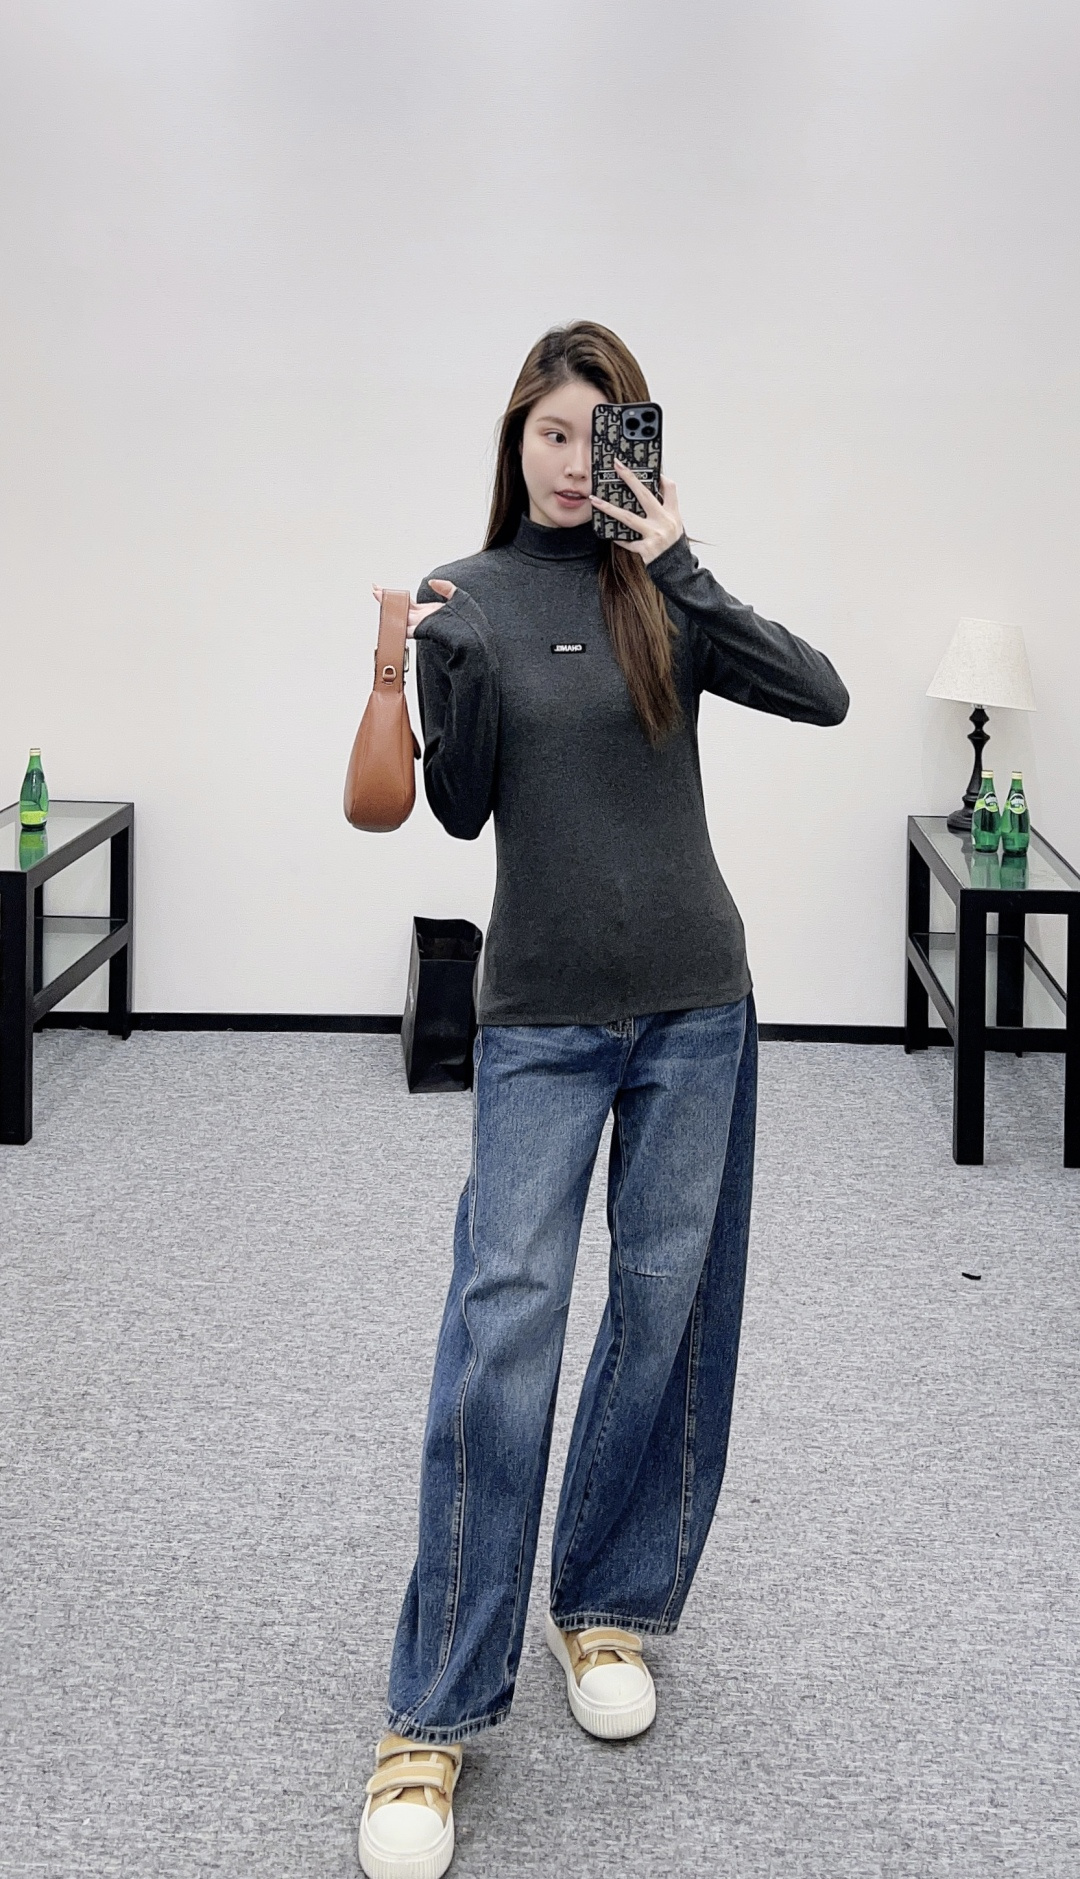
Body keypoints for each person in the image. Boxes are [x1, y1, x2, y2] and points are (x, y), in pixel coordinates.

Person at [358, 320, 849, 1879]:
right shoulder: (469, 593)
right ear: (516, 445)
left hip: (699, 1002)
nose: (577, 464)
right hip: (543, 1020)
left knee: (664, 1307)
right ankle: (432, 1711)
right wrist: (430, 668)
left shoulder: (664, 597)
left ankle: (609, 1604)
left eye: (603, 434)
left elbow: (824, 695)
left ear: (639, 446)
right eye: (554, 435)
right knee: (502, 1327)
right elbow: (455, 810)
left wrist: (682, 561)